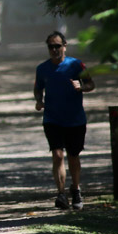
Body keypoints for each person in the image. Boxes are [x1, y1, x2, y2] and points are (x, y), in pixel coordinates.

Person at [34, 31, 95, 211]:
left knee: (73, 156)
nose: (54, 50)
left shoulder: (76, 65)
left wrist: (81, 86)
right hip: (52, 118)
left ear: (65, 46)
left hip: (75, 119)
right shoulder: (42, 68)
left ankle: (75, 189)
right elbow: (38, 88)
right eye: (51, 47)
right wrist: (39, 100)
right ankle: (61, 194)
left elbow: (91, 84)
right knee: (57, 155)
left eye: (57, 46)